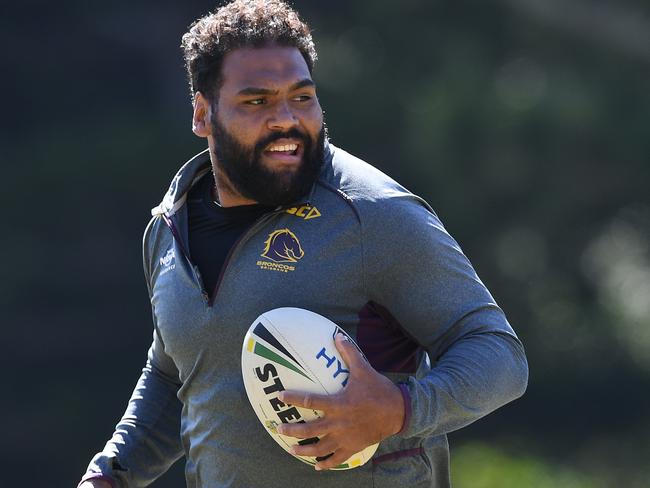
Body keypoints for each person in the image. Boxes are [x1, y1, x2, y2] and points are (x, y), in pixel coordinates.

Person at [79, 1, 528, 487]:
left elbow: (498, 355)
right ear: (203, 114)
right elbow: (176, 378)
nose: (285, 119)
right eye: (257, 101)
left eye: (302, 97)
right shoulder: (169, 227)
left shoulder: (372, 214)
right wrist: (109, 475)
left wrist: (399, 409)